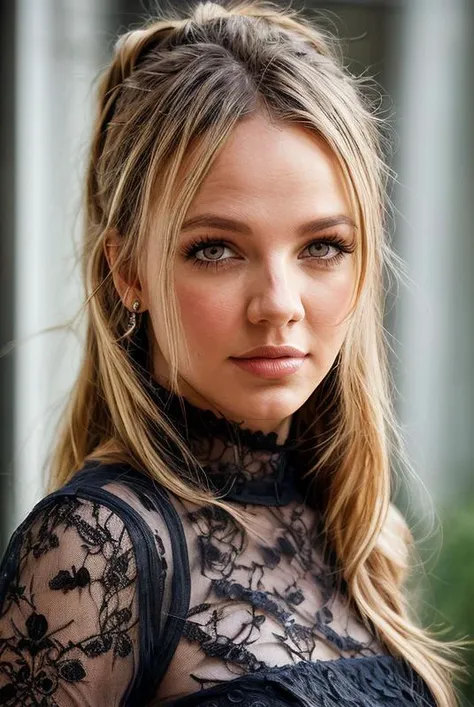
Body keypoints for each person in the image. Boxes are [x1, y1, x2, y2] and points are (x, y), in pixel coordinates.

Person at [0, 1, 464, 705]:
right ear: (129, 272)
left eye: (322, 247)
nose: (279, 301)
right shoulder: (94, 552)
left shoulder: (360, 537)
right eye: (215, 249)